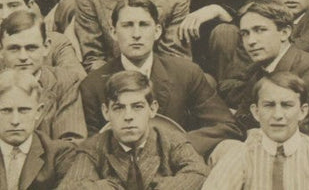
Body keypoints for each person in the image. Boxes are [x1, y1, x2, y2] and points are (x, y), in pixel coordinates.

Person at [79, 0, 240, 157]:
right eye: (127, 25)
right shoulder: (93, 85)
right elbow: (91, 146)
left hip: (179, 163)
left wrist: (176, 146)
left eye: (144, 25)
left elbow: (227, 126)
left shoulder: (186, 74)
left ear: (157, 31)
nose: (136, 34)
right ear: (113, 32)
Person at [62, 71, 209, 190]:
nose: (128, 116)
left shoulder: (171, 141)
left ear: (152, 109)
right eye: (118, 108)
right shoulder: (94, 148)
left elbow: (198, 173)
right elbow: (71, 186)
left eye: (137, 107)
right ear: (106, 112)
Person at [217, 0, 309, 132]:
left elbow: (306, 130)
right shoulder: (257, 70)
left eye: (260, 30)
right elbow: (242, 121)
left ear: (284, 33)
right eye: (245, 34)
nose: (251, 41)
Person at [0, 11, 85, 143]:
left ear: (46, 47)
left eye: (31, 48)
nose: (23, 57)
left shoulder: (65, 82)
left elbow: (71, 142)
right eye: (14, 48)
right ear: (1, 50)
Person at [0, 68, 75, 190]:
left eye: (24, 110)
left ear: (38, 111)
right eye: (6, 110)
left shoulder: (60, 155)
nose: (15, 121)